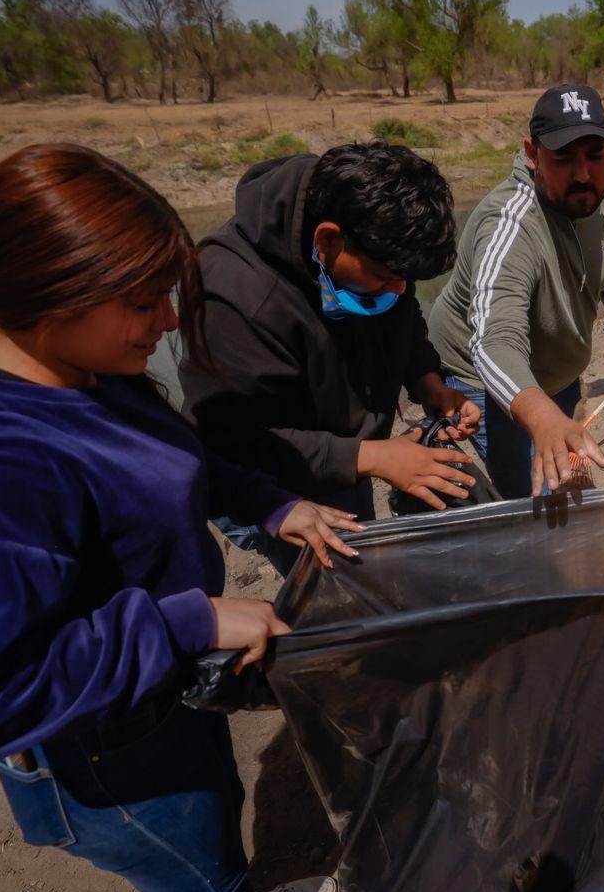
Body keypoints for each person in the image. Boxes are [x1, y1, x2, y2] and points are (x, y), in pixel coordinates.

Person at [0, 145, 365, 892]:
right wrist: (188, 621)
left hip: (154, 704)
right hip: (105, 763)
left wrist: (276, 507)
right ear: (50, 294)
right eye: (143, 300)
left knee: (215, 833)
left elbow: (171, 459)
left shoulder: (85, 374)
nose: (168, 321)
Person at [178, 142, 479, 573]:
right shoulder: (235, 299)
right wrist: (373, 457)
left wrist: (427, 381)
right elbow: (230, 439)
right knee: (337, 586)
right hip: (281, 483)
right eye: (385, 278)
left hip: (347, 449)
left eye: (406, 280)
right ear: (328, 240)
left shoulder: (377, 238)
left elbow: (404, 318)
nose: (398, 291)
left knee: (362, 554)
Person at [427, 83, 604, 498]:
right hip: (487, 379)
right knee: (526, 491)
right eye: (563, 158)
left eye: (596, 155)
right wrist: (542, 417)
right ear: (531, 153)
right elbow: (493, 342)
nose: (583, 174)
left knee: (568, 473)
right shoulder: (510, 224)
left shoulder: (603, 192)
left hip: (559, 367)